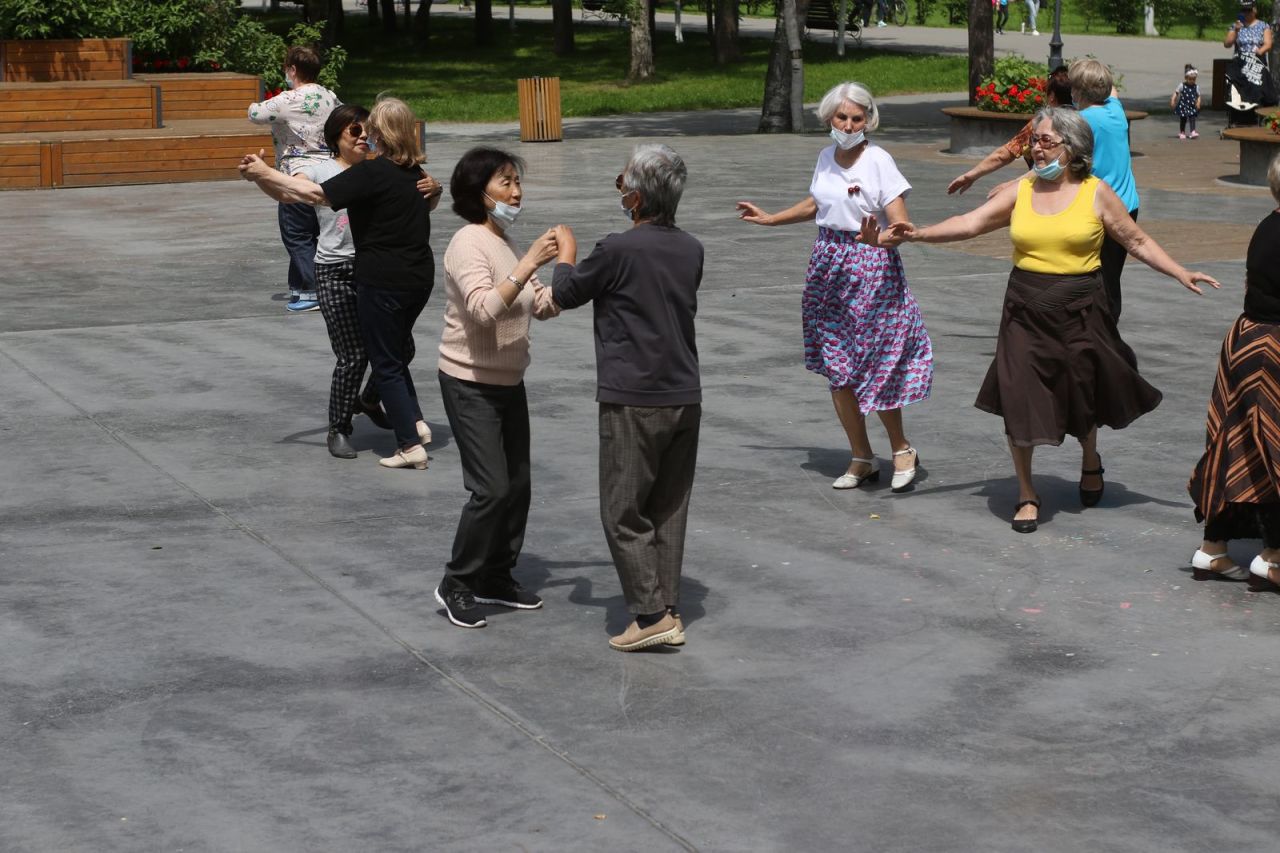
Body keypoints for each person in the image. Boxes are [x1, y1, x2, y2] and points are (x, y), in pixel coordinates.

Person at [885, 107, 1219, 533]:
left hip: (1082, 308)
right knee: (1019, 398)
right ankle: (1027, 493)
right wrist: (916, 234)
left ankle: (1090, 456)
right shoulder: (1022, 189)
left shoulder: (1096, 192)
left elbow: (1135, 240)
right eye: (1034, 140)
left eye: (1045, 140)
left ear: (1072, 147)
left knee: (1083, 392)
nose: (1036, 148)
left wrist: (1179, 270)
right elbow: (970, 223)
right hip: (1024, 309)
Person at [737, 82, 932, 494]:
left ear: (868, 121)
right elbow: (817, 203)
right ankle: (861, 455)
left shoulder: (879, 161)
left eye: (856, 118)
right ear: (829, 119)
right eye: (841, 117)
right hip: (828, 266)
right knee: (838, 366)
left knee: (875, 363)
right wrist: (772, 219)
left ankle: (901, 449)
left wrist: (878, 240)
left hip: (871, 267)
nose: (847, 125)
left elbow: (901, 226)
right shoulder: (826, 156)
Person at [550, 144, 704, 652]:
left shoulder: (616, 249)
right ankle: (668, 605)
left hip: (632, 394)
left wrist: (567, 255)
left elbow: (569, 293)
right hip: (683, 391)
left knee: (622, 508)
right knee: (667, 506)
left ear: (635, 198)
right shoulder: (691, 248)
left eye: (622, 184)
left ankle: (650, 612)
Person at [239, 97, 444, 469]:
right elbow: (296, 193)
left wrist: (265, 172)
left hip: (380, 277)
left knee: (388, 359)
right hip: (390, 275)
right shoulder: (407, 172)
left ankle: (408, 438)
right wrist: (265, 177)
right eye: (355, 129)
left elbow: (317, 196)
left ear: (381, 133)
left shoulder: (377, 172)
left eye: (368, 128)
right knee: (367, 355)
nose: (363, 135)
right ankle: (357, 424)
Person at [432, 148, 563, 629]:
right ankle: (457, 583)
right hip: (469, 381)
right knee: (490, 489)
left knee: (518, 488)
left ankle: (495, 576)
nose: (516, 192)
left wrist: (575, 274)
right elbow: (484, 309)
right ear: (479, 192)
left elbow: (536, 304)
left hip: (509, 380)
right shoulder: (469, 243)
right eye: (506, 182)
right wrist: (530, 262)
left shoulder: (502, 241)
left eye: (517, 182)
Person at [1188, 155, 1280, 589]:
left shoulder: (1267, 225)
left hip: (1247, 339)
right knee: (1273, 449)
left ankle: (1212, 549)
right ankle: (1275, 555)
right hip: (1275, 349)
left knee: (1236, 444)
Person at [247, 45, 340, 314]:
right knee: (316, 232)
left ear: (293, 70)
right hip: (328, 172)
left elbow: (255, 113)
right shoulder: (330, 96)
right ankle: (298, 288)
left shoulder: (289, 99)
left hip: (296, 174)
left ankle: (314, 290)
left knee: (296, 233)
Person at [1070, 58, 1139, 322]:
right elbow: (1113, 92)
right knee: (1111, 273)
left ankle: (1099, 331)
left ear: (1078, 92)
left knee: (1093, 275)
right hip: (1128, 206)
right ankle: (1108, 325)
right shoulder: (1116, 111)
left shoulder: (1081, 122)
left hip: (1101, 209)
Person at [947, 74, 1073, 196]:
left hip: (1043, 192)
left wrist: (972, 175)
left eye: (1044, 140)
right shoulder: (1082, 121)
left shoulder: (1041, 124)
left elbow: (1004, 154)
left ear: (1051, 96)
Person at [1171, 65, 1202, 140]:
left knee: (1192, 118)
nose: (1192, 81)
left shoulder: (1196, 87)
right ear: (1186, 78)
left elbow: (1199, 96)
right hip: (1183, 106)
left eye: (1194, 79)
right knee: (1183, 119)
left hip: (1191, 106)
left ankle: (1192, 131)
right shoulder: (1182, 85)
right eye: (1190, 79)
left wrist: (1198, 103)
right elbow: (1176, 93)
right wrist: (1173, 100)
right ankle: (1182, 132)